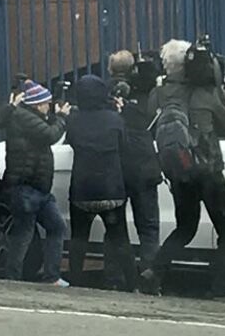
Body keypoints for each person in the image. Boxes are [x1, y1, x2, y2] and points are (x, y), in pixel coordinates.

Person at [140, 39, 225, 302]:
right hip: (208, 170)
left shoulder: (158, 94)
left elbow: (150, 122)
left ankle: (154, 271)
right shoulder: (206, 93)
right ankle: (221, 289)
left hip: (180, 172)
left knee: (185, 227)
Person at [66, 75, 139, 292]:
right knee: (120, 240)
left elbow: (70, 140)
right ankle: (132, 284)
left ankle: (76, 282)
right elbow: (125, 146)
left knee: (78, 239)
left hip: (82, 189)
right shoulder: (115, 120)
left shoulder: (74, 120)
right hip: (111, 189)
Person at [0, 79, 70, 287]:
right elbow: (50, 135)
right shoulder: (23, 118)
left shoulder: (29, 117)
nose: (48, 106)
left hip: (37, 187)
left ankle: (51, 275)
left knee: (56, 226)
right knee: (24, 233)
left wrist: (54, 117)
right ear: (37, 104)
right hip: (25, 186)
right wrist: (61, 118)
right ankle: (13, 277)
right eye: (46, 103)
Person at [107, 51, 162, 276]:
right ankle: (150, 276)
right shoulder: (147, 92)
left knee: (115, 226)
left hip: (116, 167)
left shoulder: (104, 93)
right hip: (145, 167)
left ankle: (117, 277)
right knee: (149, 227)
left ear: (110, 70)